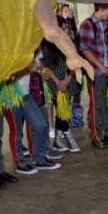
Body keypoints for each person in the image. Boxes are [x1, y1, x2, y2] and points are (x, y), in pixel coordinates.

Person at [79, 3, 108, 149]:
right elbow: (85, 50)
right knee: (98, 105)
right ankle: (97, 136)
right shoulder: (87, 24)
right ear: (101, 8)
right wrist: (100, 65)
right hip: (95, 72)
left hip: (107, 69)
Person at [42, 18, 81, 153]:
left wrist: (68, 80)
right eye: (63, 28)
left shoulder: (71, 43)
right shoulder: (48, 44)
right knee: (61, 110)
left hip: (68, 82)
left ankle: (59, 138)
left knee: (63, 111)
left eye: (67, 28)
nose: (66, 31)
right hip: (55, 84)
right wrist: (58, 82)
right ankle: (67, 135)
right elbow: (45, 65)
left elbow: (76, 63)